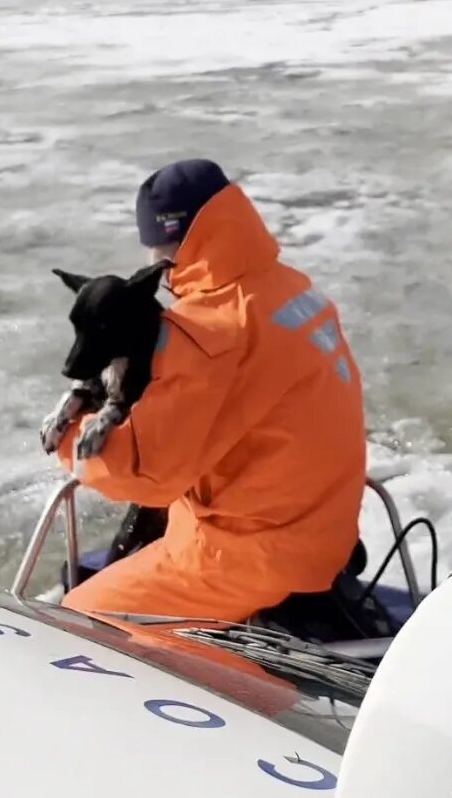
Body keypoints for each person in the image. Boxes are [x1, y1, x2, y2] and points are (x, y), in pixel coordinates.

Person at [49, 158, 367, 623]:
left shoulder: (207, 334)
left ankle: (234, 679)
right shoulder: (292, 287)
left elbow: (145, 475)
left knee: (78, 620)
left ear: (167, 244)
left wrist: (67, 433)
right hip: (325, 528)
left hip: (251, 553)